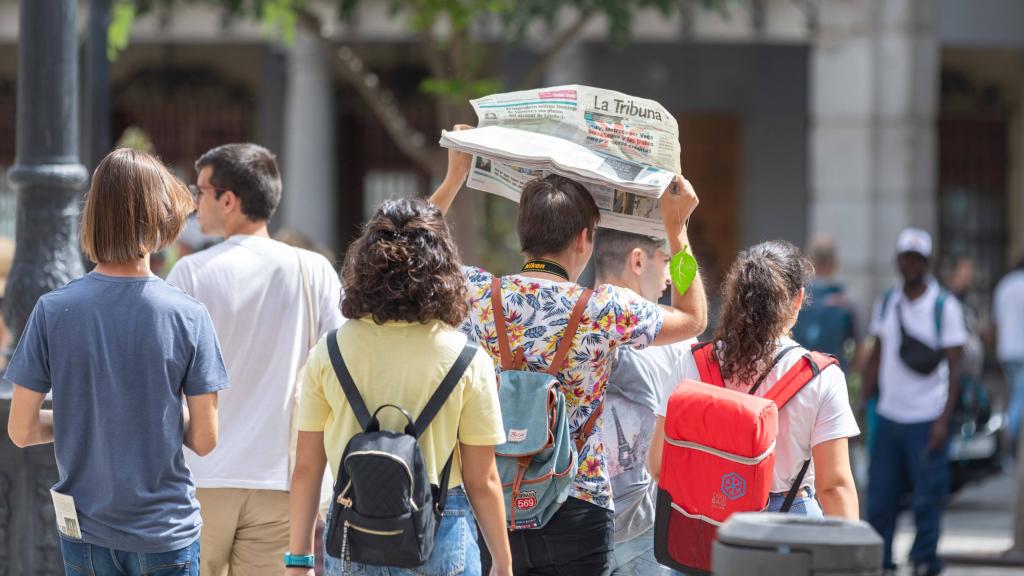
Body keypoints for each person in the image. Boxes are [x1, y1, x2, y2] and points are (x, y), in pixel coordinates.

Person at [431, 125, 709, 574]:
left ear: (525, 235)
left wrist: (454, 178)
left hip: (495, 496)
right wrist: (677, 232)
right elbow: (693, 317)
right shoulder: (605, 309)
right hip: (579, 503)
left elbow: (411, 250)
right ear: (584, 238)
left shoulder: (480, 294)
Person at [4, 148, 229, 575]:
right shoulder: (187, 315)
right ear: (159, 217)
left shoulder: (53, 310)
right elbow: (204, 438)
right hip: (165, 532)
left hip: (86, 531)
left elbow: (21, 429)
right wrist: (153, 415)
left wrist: (82, 417)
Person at [287, 198, 513, 576]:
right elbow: (482, 478)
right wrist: (503, 563)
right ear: (444, 268)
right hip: (442, 529)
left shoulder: (329, 351)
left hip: (354, 531)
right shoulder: (468, 359)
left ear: (364, 264)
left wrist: (299, 560)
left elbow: (308, 466)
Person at [166, 143, 345, 576]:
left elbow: (163, 374)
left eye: (201, 190)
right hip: (283, 480)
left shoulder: (190, 274)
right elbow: (342, 362)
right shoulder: (313, 269)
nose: (195, 202)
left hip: (198, 477)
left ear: (228, 200)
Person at [648, 240, 860, 520]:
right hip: (788, 524)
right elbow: (833, 487)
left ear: (736, 297)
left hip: (709, 519)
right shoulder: (821, 377)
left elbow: (659, 464)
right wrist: (852, 558)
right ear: (798, 299)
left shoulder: (694, 363)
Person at [861, 228, 966, 576]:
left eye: (918, 258)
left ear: (927, 263)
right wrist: (864, 398)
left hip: (927, 419)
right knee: (880, 500)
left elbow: (955, 366)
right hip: (889, 417)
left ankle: (924, 561)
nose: (911, 264)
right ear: (898, 261)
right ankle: (883, 561)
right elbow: (877, 351)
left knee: (927, 500)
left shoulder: (944, 307)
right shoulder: (888, 301)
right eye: (907, 257)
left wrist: (942, 420)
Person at [593, 230, 696, 575]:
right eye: (665, 261)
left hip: (580, 522)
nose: (669, 276)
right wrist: (679, 234)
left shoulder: (571, 322)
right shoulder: (676, 338)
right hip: (648, 526)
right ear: (638, 260)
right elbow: (694, 313)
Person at [791, 235, 858, 371]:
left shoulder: (794, 298)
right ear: (835, 262)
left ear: (808, 261)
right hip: (832, 375)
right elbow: (861, 347)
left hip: (796, 376)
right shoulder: (846, 302)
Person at [994, 257, 1024, 454]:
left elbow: (997, 319)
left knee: (1015, 395)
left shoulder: (1004, 285)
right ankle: (1008, 440)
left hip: (1005, 350)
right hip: (1021, 351)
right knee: (1019, 398)